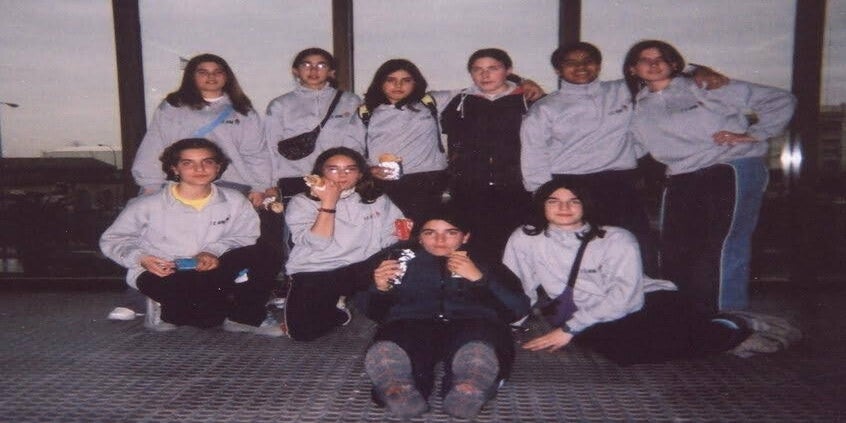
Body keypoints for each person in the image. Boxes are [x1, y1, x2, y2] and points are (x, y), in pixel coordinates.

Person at [503, 180, 800, 365]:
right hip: (592, 312)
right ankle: (715, 330)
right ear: (542, 206)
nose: (564, 208)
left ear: (586, 205)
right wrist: (510, 324)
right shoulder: (526, 237)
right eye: (554, 201)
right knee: (622, 352)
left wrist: (569, 329)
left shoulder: (615, 238)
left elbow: (627, 298)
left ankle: (733, 327)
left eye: (573, 201)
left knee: (640, 342)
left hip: (648, 299)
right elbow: (517, 285)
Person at [520, 42, 726, 275]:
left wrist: (698, 71)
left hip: (620, 185)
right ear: (558, 70)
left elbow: (660, 73)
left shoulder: (624, 90)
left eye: (588, 61)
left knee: (636, 248)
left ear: (599, 65)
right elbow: (533, 155)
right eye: (571, 63)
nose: (581, 67)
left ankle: (647, 294)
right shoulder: (545, 108)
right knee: (581, 254)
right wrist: (545, 198)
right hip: (570, 187)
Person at [623, 40, 796, 313]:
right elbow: (634, 148)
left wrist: (754, 134)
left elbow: (780, 100)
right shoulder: (638, 107)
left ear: (674, 64)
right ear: (633, 69)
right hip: (681, 174)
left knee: (724, 244)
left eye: (661, 59)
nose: (653, 64)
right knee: (675, 248)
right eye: (645, 60)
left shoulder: (703, 86)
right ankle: (685, 315)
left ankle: (728, 317)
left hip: (729, 165)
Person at [116, 54, 279, 321]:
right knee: (157, 240)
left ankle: (226, 297)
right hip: (180, 182)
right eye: (203, 71)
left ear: (227, 76)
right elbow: (155, 143)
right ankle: (138, 300)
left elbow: (256, 152)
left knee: (227, 245)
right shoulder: (173, 107)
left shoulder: (242, 110)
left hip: (232, 184)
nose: (211, 77)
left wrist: (260, 185)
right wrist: (149, 183)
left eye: (217, 71)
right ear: (191, 76)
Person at [101, 138, 282, 336]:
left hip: (210, 267)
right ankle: (163, 307)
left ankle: (244, 317)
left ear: (218, 167)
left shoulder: (235, 200)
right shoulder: (147, 204)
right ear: (175, 168)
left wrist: (211, 252)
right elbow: (113, 239)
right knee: (205, 319)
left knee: (265, 252)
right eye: (188, 163)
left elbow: (246, 235)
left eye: (207, 162)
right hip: (163, 271)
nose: (199, 169)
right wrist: (140, 258)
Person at [364, 208, 530, 419]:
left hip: (471, 323)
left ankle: (469, 386)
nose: (439, 240)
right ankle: (397, 387)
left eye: (451, 232)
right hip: (415, 323)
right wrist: (380, 289)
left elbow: (517, 309)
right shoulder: (400, 261)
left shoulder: (485, 262)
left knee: (479, 344)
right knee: (396, 340)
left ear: (465, 236)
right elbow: (375, 312)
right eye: (430, 232)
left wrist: (480, 280)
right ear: (420, 237)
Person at [283, 147, 403, 341]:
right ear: (320, 173)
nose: (342, 175)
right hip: (318, 269)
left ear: (360, 174)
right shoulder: (302, 202)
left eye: (350, 169)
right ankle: (339, 310)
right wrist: (328, 203)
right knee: (302, 333)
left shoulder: (376, 198)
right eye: (333, 169)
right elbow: (318, 243)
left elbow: (393, 236)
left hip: (363, 266)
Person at [440, 48, 534, 263]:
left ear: (508, 70)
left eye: (493, 68)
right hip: (470, 188)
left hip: (515, 186)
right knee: (474, 246)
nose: (485, 75)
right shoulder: (460, 101)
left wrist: (523, 82)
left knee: (513, 244)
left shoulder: (527, 99)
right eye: (477, 69)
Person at [353, 59, 449, 223]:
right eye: (391, 80)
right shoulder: (366, 111)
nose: (398, 85)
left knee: (422, 230)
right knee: (388, 229)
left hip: (427, 181)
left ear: (415, 83)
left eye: (406, 80)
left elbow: (475, 91)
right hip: (383, 182)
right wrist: (369, 170)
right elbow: (352, 148)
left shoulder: (431, 103)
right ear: (380, 83)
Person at [264, 48, 363, 200]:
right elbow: (271, 146)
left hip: (339, 178)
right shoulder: (280, 104)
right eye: (306, 65)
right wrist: (270, 182)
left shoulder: (350, 101)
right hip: (295, 178)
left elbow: (358, 142)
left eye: (321, 65)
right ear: (296, 71)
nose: (313, 70)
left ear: (331, 72)